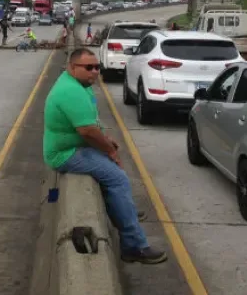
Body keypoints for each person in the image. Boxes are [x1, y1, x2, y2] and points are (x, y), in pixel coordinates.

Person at [43, 48, 167, 264]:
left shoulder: (81, 86)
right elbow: (87, 131)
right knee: (117, 178)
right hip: (64, 154)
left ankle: (124, 211)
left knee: (115, 173)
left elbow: (93, 122)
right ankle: (134, 246)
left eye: (97, 67)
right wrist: (109, 150)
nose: (94, 72)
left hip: (78, 147)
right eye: (88, 67)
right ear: (72, 68)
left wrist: (107, 141)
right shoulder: (71, 91)